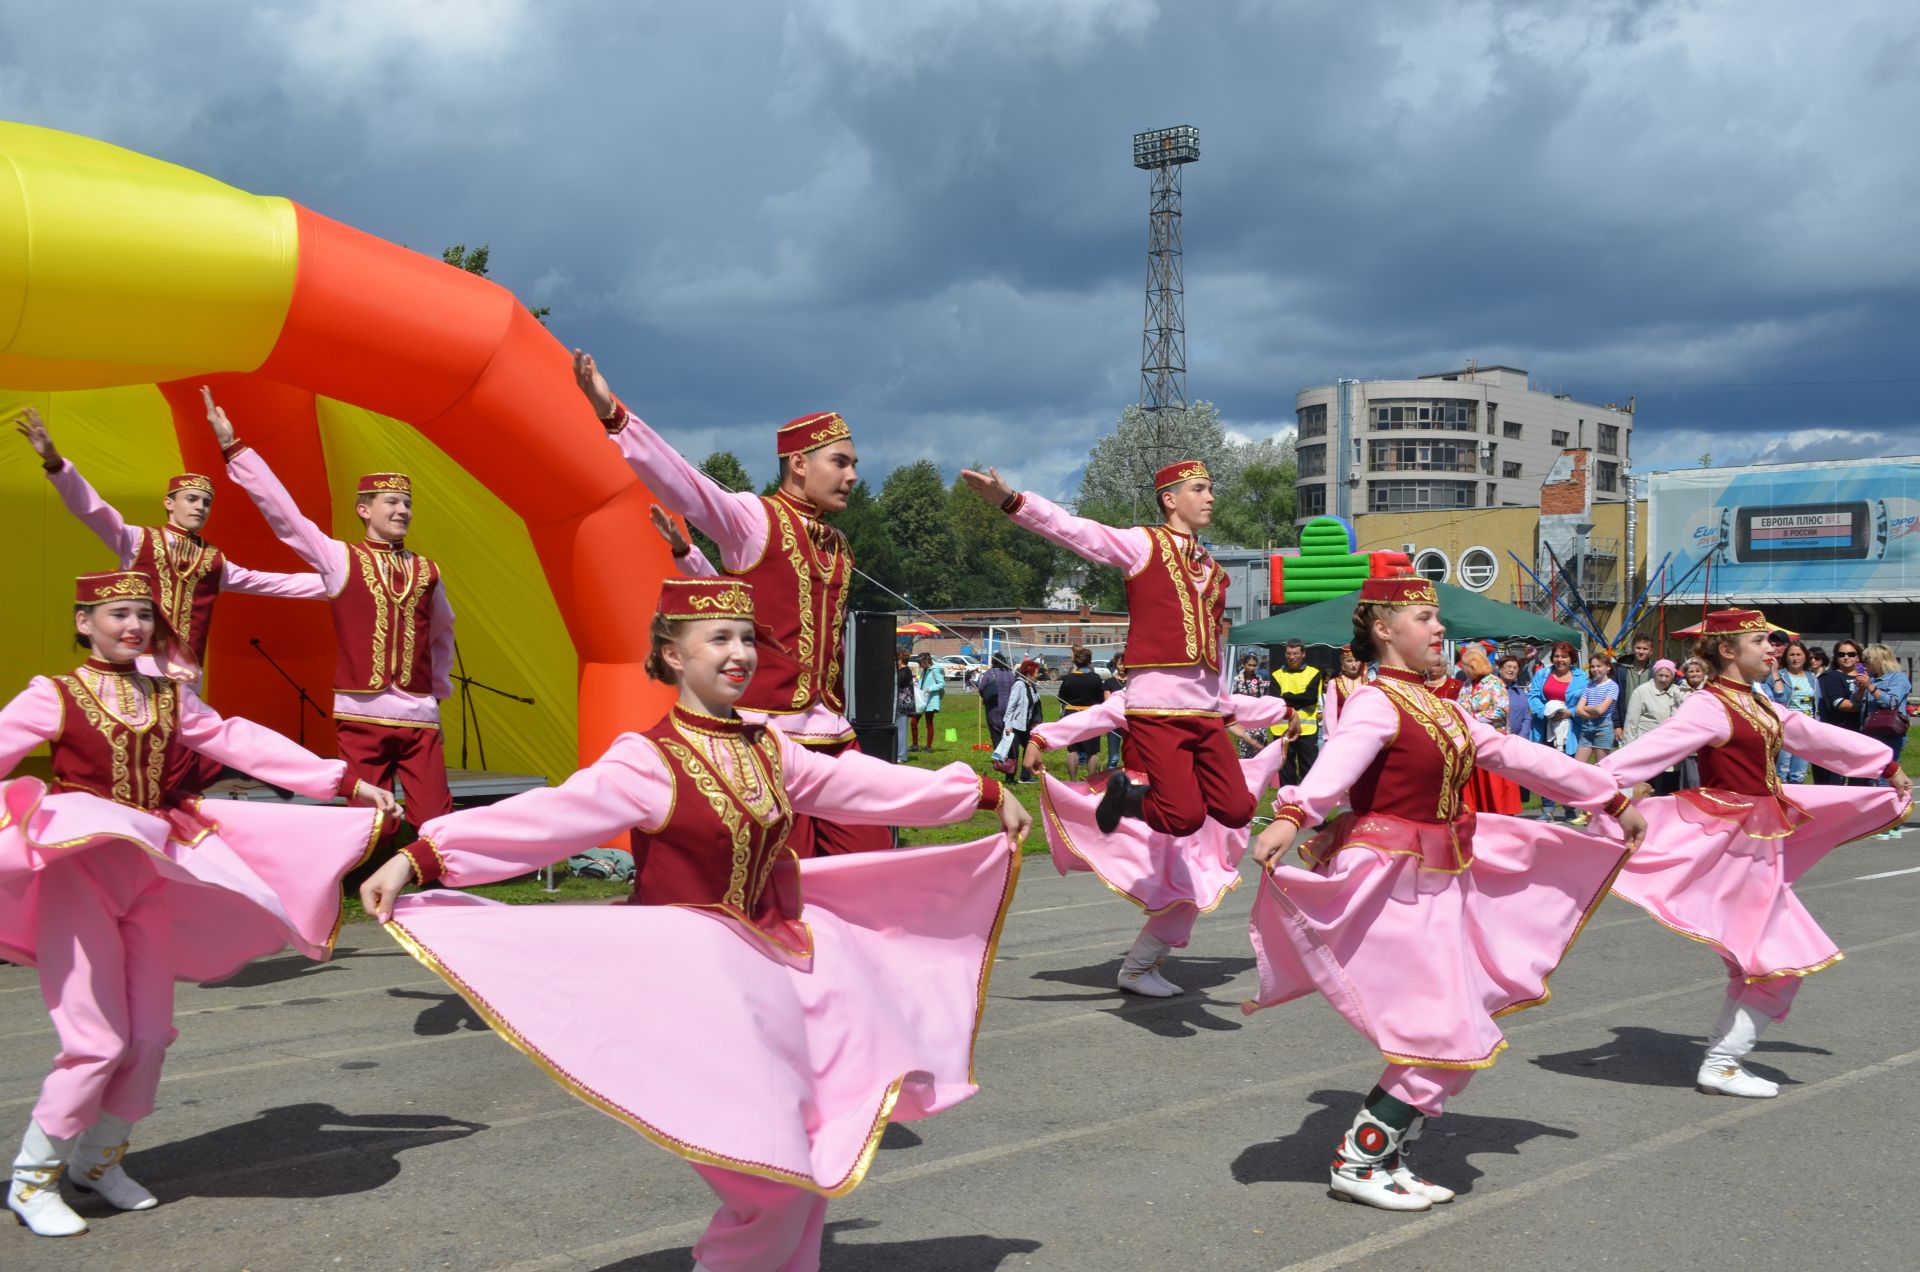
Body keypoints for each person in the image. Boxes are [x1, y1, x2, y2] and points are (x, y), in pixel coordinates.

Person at [356, 578, 1029, 1272]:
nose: (740, 654)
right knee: (771, 1181)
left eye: (747, 639)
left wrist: (976, 789)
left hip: (777, 981)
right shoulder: (647, 761)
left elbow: (868, 786)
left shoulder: (772, 748)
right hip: (692, 995)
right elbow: (545, 819)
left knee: (805, 1161)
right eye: (720, 639)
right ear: (672, 655)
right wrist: (423, 856)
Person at [2, 571, 396, 1237]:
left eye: (143, 616)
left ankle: (97, 1162)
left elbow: (241, 741)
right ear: (83, 623)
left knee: (152, 1033)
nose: (133, 626)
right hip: (83, 867)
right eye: (117, 614)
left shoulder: (170, 697)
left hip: (151, 866)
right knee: (95, 1039)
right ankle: (33, 1176)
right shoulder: (55, 695)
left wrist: (344, 780)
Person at [1244, 576, 1643, 1211]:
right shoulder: (1377, 702)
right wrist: (1295, 812)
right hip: (1395, 883)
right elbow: (1339, 760)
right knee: (1447, 1029)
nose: (1440, 629)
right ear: (1382, 628)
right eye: (1426, 617)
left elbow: (1519, 755)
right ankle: (1360, 1158)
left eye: (1438, 618)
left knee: (1452, 1028)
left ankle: (1384, 1154)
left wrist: (1607, 794)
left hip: (1439, 882)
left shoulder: (1445, 708)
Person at [574, 351, 887, 856]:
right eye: (841, 462)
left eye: (854, 464)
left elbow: (744, 604)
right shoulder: (753, 517)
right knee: (785, 879)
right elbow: (686, 485)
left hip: (835, 735)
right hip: (772, 737)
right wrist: (613, 414)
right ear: (799, 464)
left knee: (872, 863)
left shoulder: (839, 546)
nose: (852, 476)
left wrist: (685, 554)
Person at [1600, 609, 1912, 1098]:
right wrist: (1601, 791)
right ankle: (1722, 1063)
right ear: (1728, 651)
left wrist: (1884, 763)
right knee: (1779, 960)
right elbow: (1644, 753)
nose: (1772, 650)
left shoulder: (1758, 703)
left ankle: (1723, 1059)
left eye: (1772, 643)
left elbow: (1815, 737)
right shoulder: (1709, 706)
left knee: (1761, 963)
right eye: (1760, 642)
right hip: (1731, 844)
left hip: (1755, 844)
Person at [14, 405, 328, 792]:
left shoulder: (215, 562)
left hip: (185, 680)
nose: (199, 507)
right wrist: (55, 463)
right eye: (191, 499)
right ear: (170, 502)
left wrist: (342, 583)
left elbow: (275, 584)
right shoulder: (137, 541)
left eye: (206, 502)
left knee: (176, 773)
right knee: (132, 763)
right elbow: (92, 510)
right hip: (137, 671)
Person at [210, 392, 456, 845]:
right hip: (361, 712)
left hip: (419, 715)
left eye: (407, 504)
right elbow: (286, 516)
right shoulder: (340, 559)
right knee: (366, 820)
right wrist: (237, 450)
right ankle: (360, 887)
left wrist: (437, 690)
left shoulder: (428, 570)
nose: (402, 510)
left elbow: (442, 631)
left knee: (437, 819)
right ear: (364, 510)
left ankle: (440, 895)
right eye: (391, 502)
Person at [961, 461, 1251, 838]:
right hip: (1157, 709)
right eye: (1198, 489)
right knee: (1183, 818)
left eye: (1210, 489)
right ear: (1170, 499)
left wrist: (1227, 711)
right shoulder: (1144, 544)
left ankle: (1165, 798)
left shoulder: (1212, 568)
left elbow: (1212, 648)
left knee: (1239, 809)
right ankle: (1126, 798)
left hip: (1205, 711)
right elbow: (1079, 531)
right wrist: (1014, 502)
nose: (1210, 498)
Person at [1025, 687, 1290, 995]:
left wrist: (1283, 712)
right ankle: (1137, 968)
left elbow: (1237, 705)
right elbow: (1092, 718)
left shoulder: (1194, 691)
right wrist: (1040, 739)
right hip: (1154, 804)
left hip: (1190, 800)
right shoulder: (1135, 697)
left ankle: (1146, 964)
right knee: (1184, 887)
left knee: (1187, 889)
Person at [1528, 641, 1587, 819]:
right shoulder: (1543, 674)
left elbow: (1586, 701)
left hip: (1570, 731)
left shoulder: (1582, 677)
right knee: (1547, 771)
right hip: (1544, 728)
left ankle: (1570, 809)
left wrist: (1570, 713)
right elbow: (1533, 695)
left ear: (1571, 659)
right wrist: (1546, 713)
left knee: (1568, 771)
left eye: (1564, 656)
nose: (1560, 660)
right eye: (1557, 656)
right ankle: (1547, 810)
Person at [1460, 646, 1521, 815]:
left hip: (1494, 740)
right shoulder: (1466, 685)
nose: (1463, 669)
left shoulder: (1494, 682)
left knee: (1495, 784)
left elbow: (1501, 709)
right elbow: (1460, 707)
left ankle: (1502, 815)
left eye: (1465, 665)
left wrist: (1473, 719)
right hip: (1473, 742)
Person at [1623, 659, 1688, 795]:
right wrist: (1629, 751)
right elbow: (1631, 723)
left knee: (1669, 788)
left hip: (1670, 750)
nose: (1663, 679)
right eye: (1660, 675)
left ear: (1672, 677)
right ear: (1655, 674)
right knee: (1648, 789)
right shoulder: (1641, 691)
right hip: (1647, 749)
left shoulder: (1678, 692)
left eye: (1667, 676)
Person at [1761, 641, 1818, 785]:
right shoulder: (1779, 676)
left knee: (1799, 773)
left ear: (1805, 657)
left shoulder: (1812, 678)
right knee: (1782, 772)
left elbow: (1817, 704)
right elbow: (1780, 699)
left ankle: (1795, 805)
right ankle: (1781, 804)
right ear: (1786, 657)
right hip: (1786, 728)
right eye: (1792, 654)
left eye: (1799, 654)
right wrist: (1775, 673)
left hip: (1806, 729)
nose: (1795, 658)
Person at [1811, 640, 1865, 785]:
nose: (1846, 657)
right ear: (1836, 657)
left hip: (1864, 734)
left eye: (1851, 654)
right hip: (1840, 734)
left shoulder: (1866, 676)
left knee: (1860, 779)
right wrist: (1866, 706)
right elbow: (1841, 704)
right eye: (1841, 654)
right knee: (1837, 779)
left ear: (1858, 657)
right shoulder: (1831, 677)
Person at [1271, 639, 1324, 783]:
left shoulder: (1314, 673)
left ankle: (1308, 802)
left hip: (1306, 730)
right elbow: (1276, 701)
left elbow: (1310, 698)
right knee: (1286, 771)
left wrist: (1286, 696)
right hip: (1282, 730)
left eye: (1295, 653)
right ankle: (1288, 802)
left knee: (1309, 770)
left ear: (1303, 654)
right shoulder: (1277, 674)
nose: (1292, 657)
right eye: (1288, 653)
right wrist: (1298, 698)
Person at [1857, 643, 1911, 782]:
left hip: (1889, 733)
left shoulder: (1898, 678)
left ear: (1878, 660)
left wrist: (1870, 687)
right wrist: (1862, 688)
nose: (1864, 663)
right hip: (1869, 731)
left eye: (1867, 660)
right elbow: (1855, 701)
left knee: (1885, 774)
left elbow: (1892, 702)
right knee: (1872, 775)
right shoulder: (1871, 678)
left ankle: (1892, 801)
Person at [1056, 647, 1109, 781]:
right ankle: (1091, 781)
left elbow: (1061, 697)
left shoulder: (1069, 678)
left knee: (1073, 749)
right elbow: (1101, 698)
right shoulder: (1096, 678)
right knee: (1092, 750)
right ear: (1089, 661)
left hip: (1072, 715)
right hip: (1091, 715)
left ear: (1075, 660)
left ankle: (1073, 780)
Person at [1001, 659, 1043, 785]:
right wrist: (1008, 726)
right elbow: (1011, 707)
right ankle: (1009, 779)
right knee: (1013, 752)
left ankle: (1025, 777)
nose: (1038, 675)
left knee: (1029, 749)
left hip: (1027, 725)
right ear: (1029, 673)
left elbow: (1035, 704)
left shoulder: (1032, 687)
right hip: (1015, 725)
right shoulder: (1019, 685)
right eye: (1036, 673)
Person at [1613, 634, 1655, 745]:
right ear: (1633, 649)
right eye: (1638, 648)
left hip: (1649, 724)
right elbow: (1615, 698)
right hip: (1626, 722)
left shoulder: (1655, 671)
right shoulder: (1621, 669)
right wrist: (1617, 725)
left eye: (1645, 649)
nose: (1641, 652)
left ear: (1651, 651)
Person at [1320, 646, 1368, 738]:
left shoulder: (1367, 683)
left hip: (1363, 734)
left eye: (1357, 661)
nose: (1354, 665)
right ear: (1342, 662)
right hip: (1342, 734)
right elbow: (1330, 714)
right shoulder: (1334, 683)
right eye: (1349, 661)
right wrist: (1331, 738)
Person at [979, 654, 1014, 752]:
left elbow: (981, 687)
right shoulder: (1010, 673)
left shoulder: (990, 673)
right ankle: (1009, 754)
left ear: (993, 662)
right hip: (1009, 707)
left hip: (994, 706)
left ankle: (1000, 757)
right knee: (1007, 730)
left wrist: (984, 696)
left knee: (996, 732)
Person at [1101, 654, 1128, 770]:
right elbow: (1107, 702)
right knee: (1114, 756)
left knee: (1130, 753)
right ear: (1116, 665)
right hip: (1114, 722)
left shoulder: (1134, 681)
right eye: (1120, 663)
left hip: (1129, 721)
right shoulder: (1109, 682)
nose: (1122, 666)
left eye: (1124, 663)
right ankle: (1111, 780)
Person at [914, 653, 944, 752]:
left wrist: (930, 689)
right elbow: (922, 682)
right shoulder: (925, 670)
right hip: (921, 699)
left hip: (931, 700)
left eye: (921, 663)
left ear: (927, 661)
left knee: (929, 723)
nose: (920, 666)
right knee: (913, 722)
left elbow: (941, 684)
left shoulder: (935, 670)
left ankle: (929, 746)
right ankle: (915, 745)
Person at [894, 649, 917, 762]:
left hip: (903, 705)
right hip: (899, 704)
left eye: (897, 658)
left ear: (901, 659)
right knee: (898, 729)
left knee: (901, 730)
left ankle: (902, 755)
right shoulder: (901, 670)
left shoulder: (905, 671)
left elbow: (898, 682)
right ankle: (898, 753)